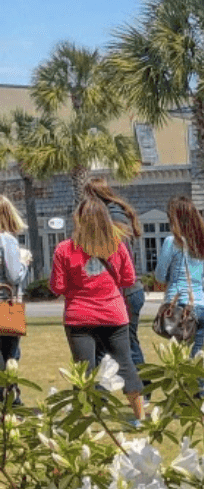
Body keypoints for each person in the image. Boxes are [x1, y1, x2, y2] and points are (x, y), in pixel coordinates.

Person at [51, 198, 144, 422]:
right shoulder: (117, 245)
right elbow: (128, 278)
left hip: (79, 316)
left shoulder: (65, 249)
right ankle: (140, 416)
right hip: (113, 314)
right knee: (126, 365)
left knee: (84, 371)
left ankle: (86, 418)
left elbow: (58, 286)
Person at [83, 178, 147, 379]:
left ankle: (141, 389)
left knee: (123, 344)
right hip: (130, 290)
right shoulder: (119, 213)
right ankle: (139, 389)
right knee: (124, 343)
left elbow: (117, 260)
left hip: (125, 292)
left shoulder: (113, 218)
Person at [154, 196, 204, 358]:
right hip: (200, 305)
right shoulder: (199, 243)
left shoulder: (172, 241)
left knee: (183, 362)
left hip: (181, 306)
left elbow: (159, 275)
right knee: (197, 361)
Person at [0, 196, 28, 407]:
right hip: (5, 305)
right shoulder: (6, 240)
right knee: (10, 355)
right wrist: (24, 262)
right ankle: (11, 397)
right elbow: (14, 276)